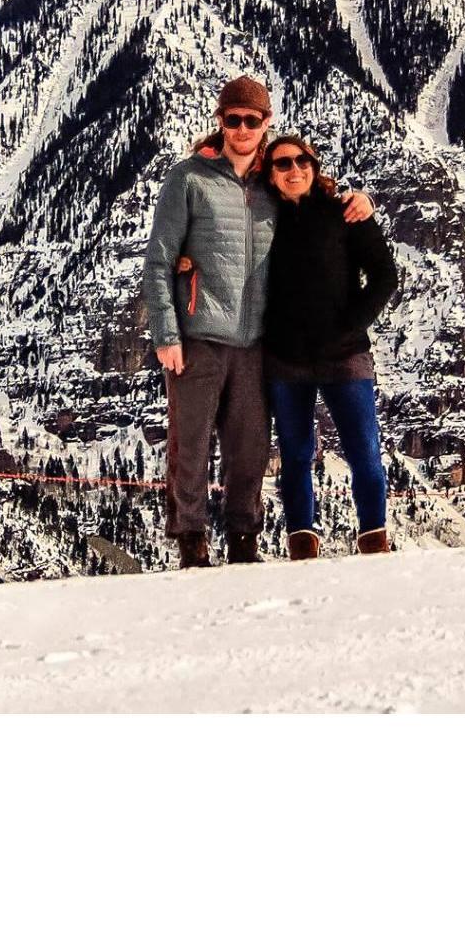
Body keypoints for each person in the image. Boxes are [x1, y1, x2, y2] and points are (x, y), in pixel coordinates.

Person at [142, 77, 371, 568]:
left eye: (253, 120)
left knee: (249, 448)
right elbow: (159, 261)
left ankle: (244, 539)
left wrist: (364, 203)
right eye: (233, 119)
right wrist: (166, 332)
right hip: (198, 335)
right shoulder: (189, 179)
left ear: (266, 124)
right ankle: (192, 541)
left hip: (257, 343)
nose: (243, 128)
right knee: (192, 445)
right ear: (221, 121)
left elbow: (317, 207)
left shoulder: (274, 183)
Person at [261, 129, 400, 557]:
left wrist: (350, 324)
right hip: (287, 358)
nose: (294, 170)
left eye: (302, 161)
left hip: (345, 354)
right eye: (282, 163)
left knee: (364, 449)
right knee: (296, 454)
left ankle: (373, 535)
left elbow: (384, 274)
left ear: (314, 168)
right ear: (269, 174)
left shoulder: (344, 213)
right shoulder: (259, 218)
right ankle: (302, 539)